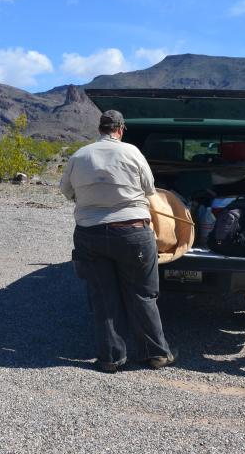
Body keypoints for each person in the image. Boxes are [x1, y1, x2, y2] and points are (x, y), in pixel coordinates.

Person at [60, 109, 175, 373]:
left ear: (100, 129)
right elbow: (149, 189)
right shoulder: (132, 152)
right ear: (120, 130)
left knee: (103, 296)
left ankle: (111, 358)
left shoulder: (79, 155)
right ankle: (155, 354)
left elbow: (66, 191)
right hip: (133, 232)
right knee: (143, 294)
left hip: (91, 234)